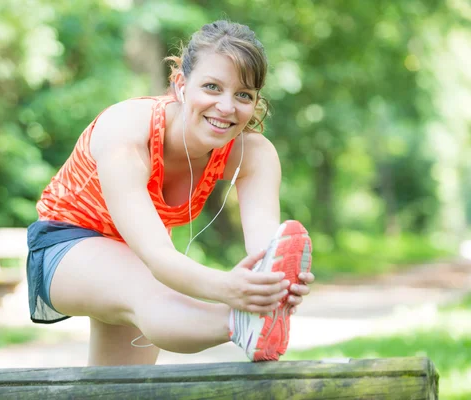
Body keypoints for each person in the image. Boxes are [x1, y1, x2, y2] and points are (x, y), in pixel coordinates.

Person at [26, 20, 315, 366]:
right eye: (212, 87)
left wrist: (273, 288)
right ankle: (240, 323)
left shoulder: (254, 154)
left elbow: (265, 252)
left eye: (243, 95)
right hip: (66, 245)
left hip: (132, 260)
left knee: (122, 391)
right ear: (180, 85)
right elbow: (157, 256)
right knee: (152, 291)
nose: (226, 107)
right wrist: (232, 294)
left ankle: (251, 319)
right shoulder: (128, 131)